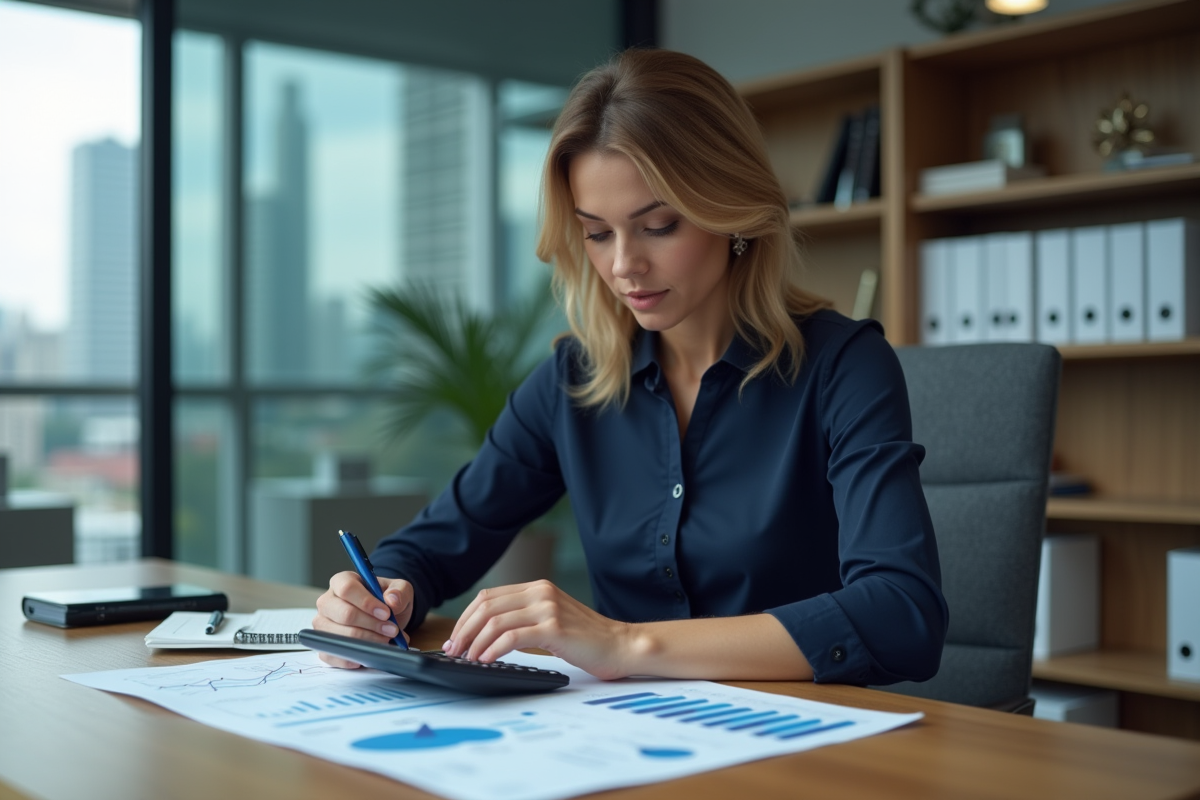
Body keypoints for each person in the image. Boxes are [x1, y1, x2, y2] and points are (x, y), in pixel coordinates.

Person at [313, 48, 947, 685]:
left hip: (808, 744)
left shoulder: (845, 367)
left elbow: (901, 614)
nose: (623, 266)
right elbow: (436, 544)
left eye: (659, 225)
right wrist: (373, 600)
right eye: (596, 233)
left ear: (733, 214)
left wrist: (626, 644)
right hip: (626, 743)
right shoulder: (573, 380)